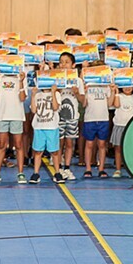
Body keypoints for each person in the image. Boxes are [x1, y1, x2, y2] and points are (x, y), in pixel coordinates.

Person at [0, 61, 27, 184]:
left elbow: (22, 98)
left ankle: (20, 173)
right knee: (2, 145)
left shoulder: (21, 77)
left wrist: (21, 81)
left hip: (17, 116)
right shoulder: (0, 77)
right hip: (2, 116)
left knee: (19, 145)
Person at [78, 60, 111, 178]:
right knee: (89, 144)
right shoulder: (88, 85)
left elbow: (109, 103)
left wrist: (113, 90)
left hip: (103, 118)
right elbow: (84, 104)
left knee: (102, 144)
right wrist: (84, 91)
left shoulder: (106, 85)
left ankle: (101, 168)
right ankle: (88, 168)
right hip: (90, 118)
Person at [29, 81, 62, 184]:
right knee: (38, 151)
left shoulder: (57, 94)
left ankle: (57, 172)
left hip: (52, 127)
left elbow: (55, 107)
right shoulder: (38, 95)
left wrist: (53, 92)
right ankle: (36, 173)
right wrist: (33, 95)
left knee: (54, 152)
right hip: (39, 127)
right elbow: (33, 110)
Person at [56, 52, 81, 181]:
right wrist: (57, 90)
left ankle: (67, 167)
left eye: (67, 62)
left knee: (70, 143)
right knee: (59, 143)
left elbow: (83, 101)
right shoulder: (56, 79)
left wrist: (77, 93)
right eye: (61, 62)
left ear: (73, 65)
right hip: (58, 116)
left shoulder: (78, 81)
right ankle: (58, 168)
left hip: (72, 117)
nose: (63, 64)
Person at [110, 83, 133, 178]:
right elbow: (116, 105)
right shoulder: (119, 96)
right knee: (118, 148)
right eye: (125, 86)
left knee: (131, 150)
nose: (127, 88)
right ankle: (118, 169)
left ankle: (132, 170)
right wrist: (116, 92)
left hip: (131, 126)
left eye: (129, 86)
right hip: (119, 125)